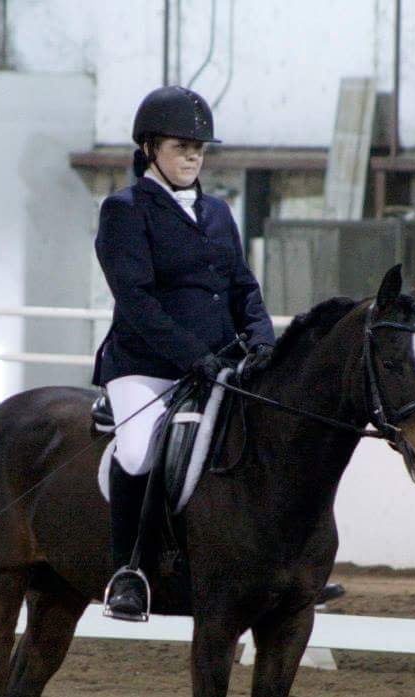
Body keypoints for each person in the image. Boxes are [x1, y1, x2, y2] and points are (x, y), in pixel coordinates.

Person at [91, 85, 276, 620]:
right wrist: (195, 356)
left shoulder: (218, 212)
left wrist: (261, 341)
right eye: (181, 146)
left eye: (200, 147)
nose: (193, 155)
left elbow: (243, 287)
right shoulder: (124, 211)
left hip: (220, 364)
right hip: (145, 367)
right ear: (150, 148)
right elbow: (138, 301)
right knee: (138, 450)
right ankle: (127, 572)